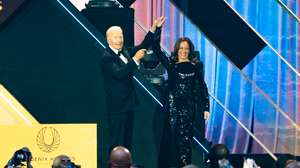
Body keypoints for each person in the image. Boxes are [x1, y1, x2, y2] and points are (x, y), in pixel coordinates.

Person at [100, 16, 165, 153]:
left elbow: (142, 46)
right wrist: (135, 60)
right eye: (116, 37)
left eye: (121, 36)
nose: (120, 40)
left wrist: (153, 29)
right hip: (117, 107)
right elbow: (119, 73)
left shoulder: (125, 51)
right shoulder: (106, 57)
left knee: (127, 140)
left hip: (129, 104)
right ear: (108, 39)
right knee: (116, 142)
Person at [152, 35, 210, 167]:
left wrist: (206, 107)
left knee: (185, 140)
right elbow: (156, 49)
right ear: (177, 50)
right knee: (171, 139)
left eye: (186, 48)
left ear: (190, 51)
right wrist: (157, 29)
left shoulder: (196, 67)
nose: (183, 51)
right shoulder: (171, 65)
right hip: (173, 107)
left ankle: (184, 165)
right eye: (181, 48)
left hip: (188, 108)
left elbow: (202, 86)